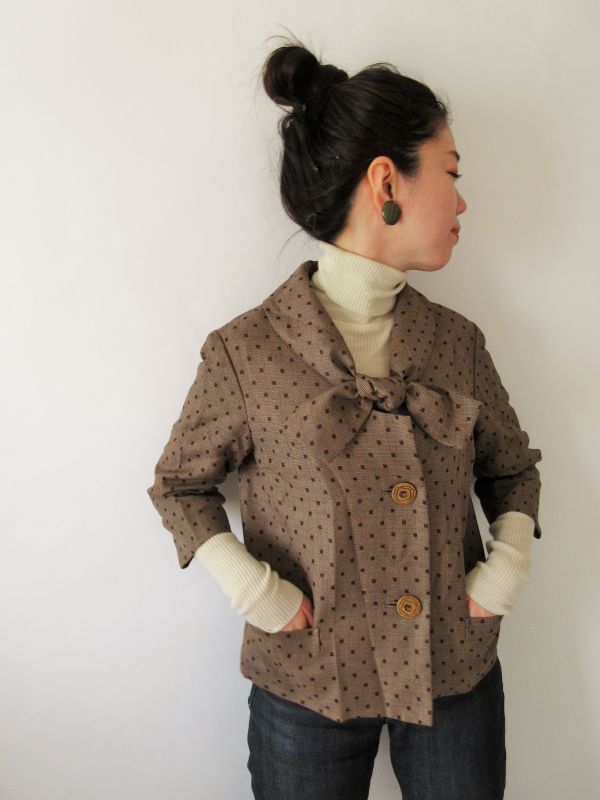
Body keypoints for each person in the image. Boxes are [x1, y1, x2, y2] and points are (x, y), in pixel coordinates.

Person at [146, 34, 542, 800]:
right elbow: (179, 487)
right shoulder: (248, 351)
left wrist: (506, 570)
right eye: (452, 173)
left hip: (452, 668)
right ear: (387, 179)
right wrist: (255, 592)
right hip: (307, 678)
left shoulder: (456, 344)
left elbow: (512, 469)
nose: (463, 201)